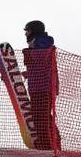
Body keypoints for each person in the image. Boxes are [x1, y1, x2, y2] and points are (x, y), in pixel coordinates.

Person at [22, 20, 59, 150]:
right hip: (37, 87)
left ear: (34, 31)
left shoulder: (42, 44)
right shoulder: (36, 45)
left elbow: (41, 62)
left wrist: (28, 52)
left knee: (42, 117)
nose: (26, 34)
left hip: (44, 87)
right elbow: (39, 67)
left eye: (28, 31)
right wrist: (27, 73)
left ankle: (48, 145)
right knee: (40, 116)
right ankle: (48, 144)